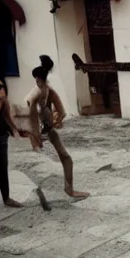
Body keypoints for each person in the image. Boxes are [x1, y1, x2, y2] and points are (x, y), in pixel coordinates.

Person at [25, 54, 88, 199]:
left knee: (66, 158)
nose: (37, 81)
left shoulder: (48, 90)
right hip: (40, 132)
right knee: (44, 164)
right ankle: (40, 193)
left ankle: (69, 189)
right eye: (36, 79)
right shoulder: (35, 93)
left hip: (48, 130)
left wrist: (57, 119)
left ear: (44, 78)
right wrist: (35, 136)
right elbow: (31, 114)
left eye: (39, 79)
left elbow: (62, 112)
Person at [0, 75, 22, 208]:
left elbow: (7, 118)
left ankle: (6, 198)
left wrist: (14, 131)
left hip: (1, 139)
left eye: (2, 87)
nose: (1, 90)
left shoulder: (4, 103)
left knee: (2, 169)